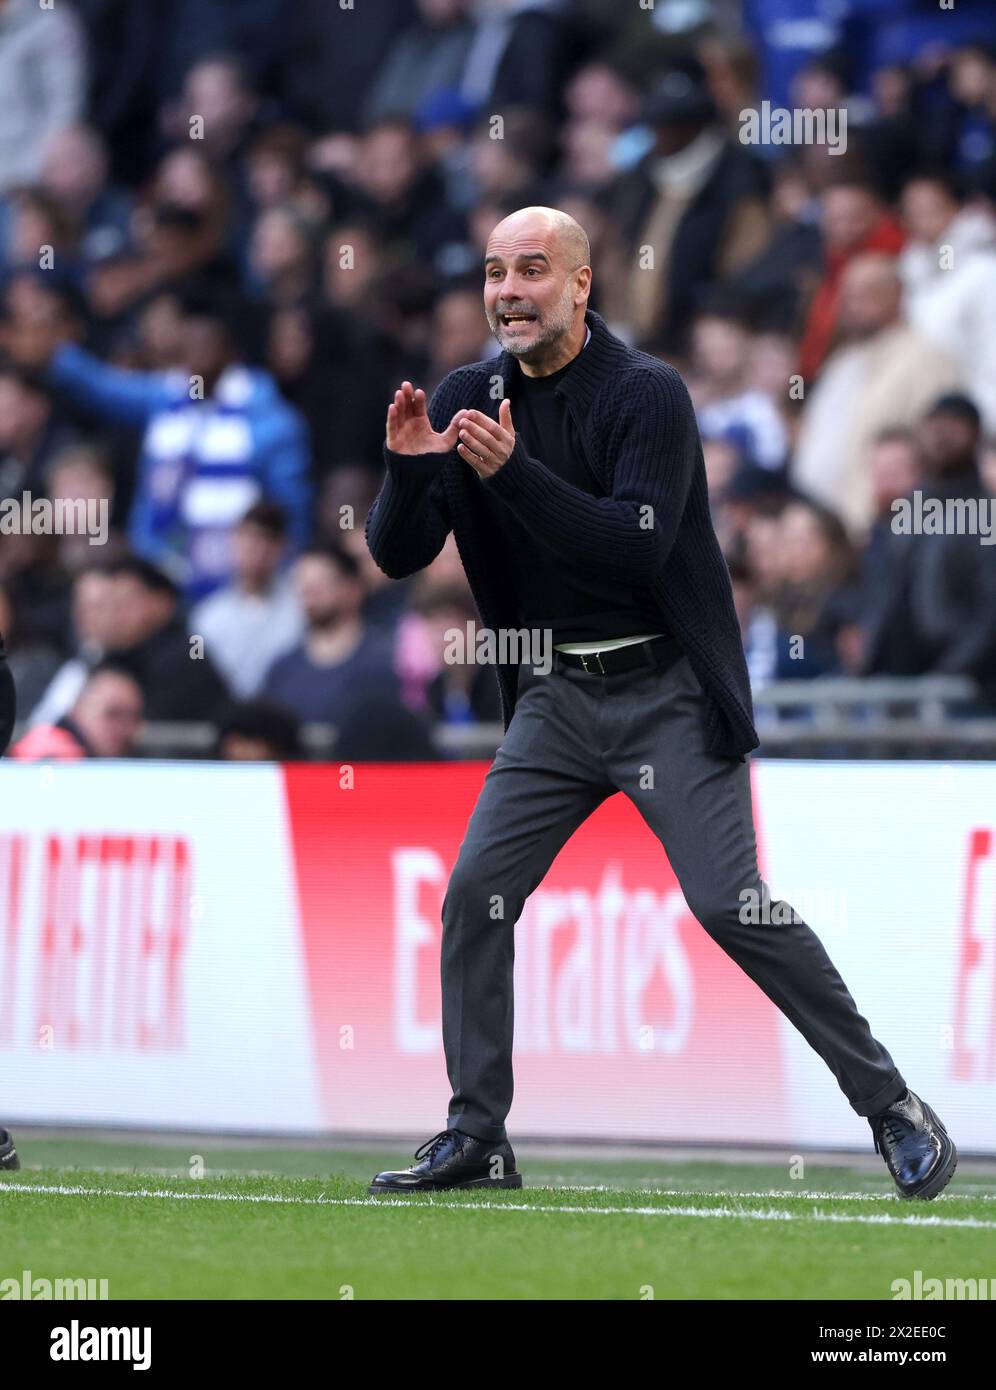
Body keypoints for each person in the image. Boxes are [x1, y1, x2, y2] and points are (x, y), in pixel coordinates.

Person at [363, 204, 957, 1199]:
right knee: (476, 894)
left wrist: (513, 475)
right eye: (495, 272)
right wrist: (406, 468)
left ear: (582, 285)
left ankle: (890, 1105)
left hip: (667, 689)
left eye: (533, 270)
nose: (508, 289)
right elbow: (397, 554)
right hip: (555, 695)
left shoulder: (647, 393)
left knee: (733, 904)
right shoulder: (469, 392)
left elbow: (631, 542)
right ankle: (478, 1135)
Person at [11, 661, 143, 761]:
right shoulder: (50, 754)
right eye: (112, 714)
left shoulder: (136, 764)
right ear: (78, 709)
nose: (123, 728)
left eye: (134, 718)